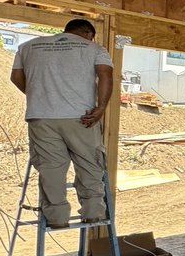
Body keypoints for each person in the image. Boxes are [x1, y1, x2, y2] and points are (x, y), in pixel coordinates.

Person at [10, 19, 114, 227]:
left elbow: (16, 77)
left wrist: (40, 96)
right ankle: (93, 212)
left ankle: (57, 218)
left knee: (51, 169)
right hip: (81, 116)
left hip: (41, 117)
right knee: (89, 164)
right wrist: (101, 107)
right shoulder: (94, 48)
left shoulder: (29, 46)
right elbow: (105, 74)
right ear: (87, 33)